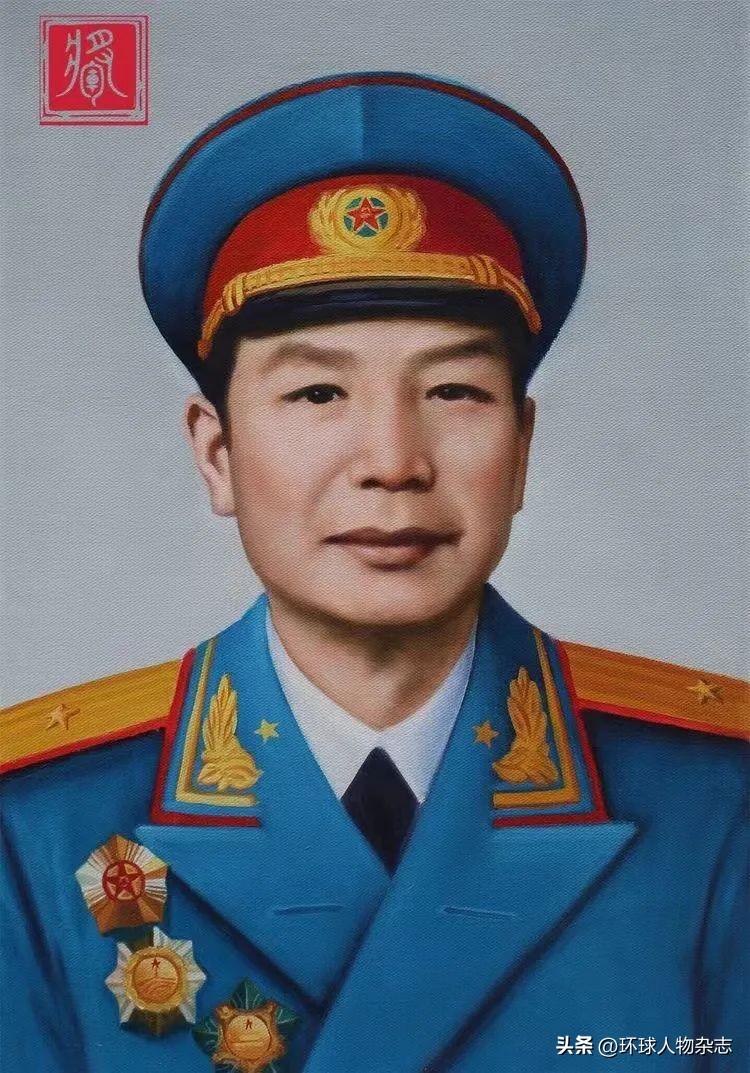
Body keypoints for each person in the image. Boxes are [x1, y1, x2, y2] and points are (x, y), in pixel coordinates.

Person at [1, 73, 747, 1073]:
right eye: (318, 392)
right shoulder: (41, 825)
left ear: (522, 448)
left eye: (454, 390)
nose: (393, 461)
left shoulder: (715, 806)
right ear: (216, 454)